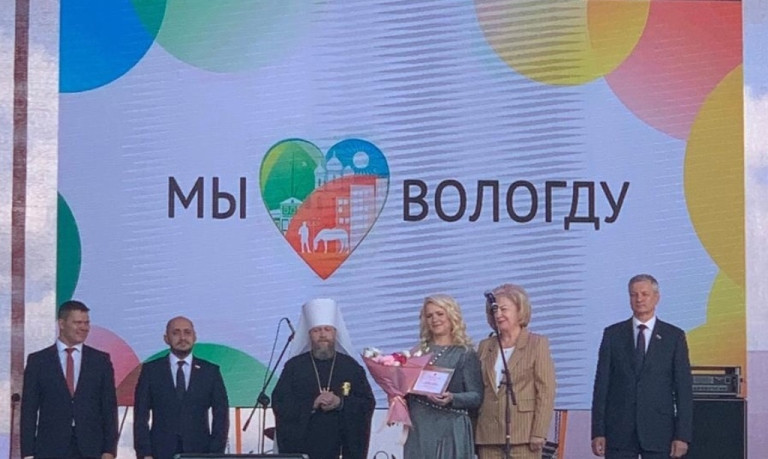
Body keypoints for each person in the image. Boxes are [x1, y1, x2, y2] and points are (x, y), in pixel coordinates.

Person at [591, 274, 693, 458]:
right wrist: (598, 431)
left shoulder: (674, 337)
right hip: (619, 433)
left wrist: (682, 435)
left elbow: (683, 390)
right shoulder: (613, 335)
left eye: (644, 294)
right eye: (634, 294)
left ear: (656, 298)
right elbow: (601, 387)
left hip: (659, 432)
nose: (639, 299)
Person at [272, 298, 375, 459]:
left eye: (327, 329)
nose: (322, 335)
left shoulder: (351, 367)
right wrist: (312, 404)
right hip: (303, 448)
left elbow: (367, 403)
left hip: (341, 449)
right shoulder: (294, 367)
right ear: (309, 334)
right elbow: (280, 403)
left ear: (335, 333)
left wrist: (340, 402)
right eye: (317, 330)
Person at [20, 300, 118, 459]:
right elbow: (29, 410)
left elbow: (109, 408)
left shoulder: (100, 361)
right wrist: (28, 453)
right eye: (78, 322)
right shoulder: (38, 361)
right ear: (62, 324)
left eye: (86, 323)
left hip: (91, 449)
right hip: (50, 449)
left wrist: (109, 450)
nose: (84, 328)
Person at [475, 284, 556, 459]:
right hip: (488, 435)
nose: (498, 314)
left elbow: (546, 391)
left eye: (504, 309)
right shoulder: (485, 346)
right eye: (494, 310)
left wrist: (539, 432)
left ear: (520, 311)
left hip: (524, 435)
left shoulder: (537, 343)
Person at [133, 316, 230, 459]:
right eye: (176, 333)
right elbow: (140, 416)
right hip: (159, 453)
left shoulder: (210, 372)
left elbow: (221, 416)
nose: (182, 338)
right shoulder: (151, 370)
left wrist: (215, 454)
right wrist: (144, 453)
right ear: (166, 338)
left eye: (187, 332)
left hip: (200, 453)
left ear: (194, 337)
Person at [403, 294, 483, 459]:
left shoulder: (464, 353)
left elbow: (476, 396)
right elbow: (406, 388)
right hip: (419, 426)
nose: (435, 319)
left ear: (452, 316)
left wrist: (452, 398)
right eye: (429, 315)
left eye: (440, 314)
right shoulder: (417, 352)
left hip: (449, 427)